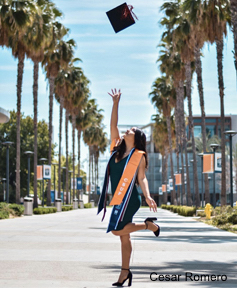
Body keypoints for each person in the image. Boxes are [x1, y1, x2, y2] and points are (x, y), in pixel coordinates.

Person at [98, 88, 160, 287]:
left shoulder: (138, 156)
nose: (127, 131)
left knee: (117, 231)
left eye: (131, 131)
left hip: (129, 199)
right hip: (117, 198)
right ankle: (124, 273)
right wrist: (115, 103)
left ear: (136, 138)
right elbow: (113, 124)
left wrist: (148, 196)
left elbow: (142, 178)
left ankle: (148, 225)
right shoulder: (116, 149)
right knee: (124, 238)